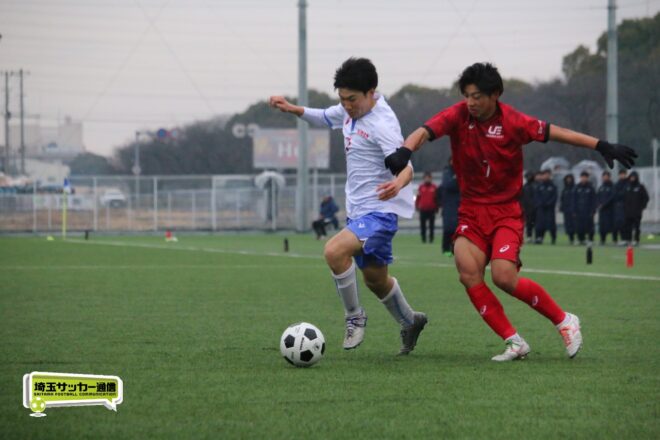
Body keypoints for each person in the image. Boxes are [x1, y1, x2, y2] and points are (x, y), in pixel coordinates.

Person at [385, 62, 636, 361]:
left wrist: (600, 145)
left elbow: (557, 133)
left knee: (504, 277)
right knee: (468, 272)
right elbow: (424, 131)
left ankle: (565, 320)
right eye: (467, 95)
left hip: (506, 212)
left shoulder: (514, 121)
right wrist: (405, 150)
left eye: (477, 96)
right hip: (471, 212)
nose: (470, 102)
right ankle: (514, 341)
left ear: (495, 95)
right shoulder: (458, 115)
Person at [269, 57, 427, 355]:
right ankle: (411, 321)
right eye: (342, 99)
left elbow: (406, 166)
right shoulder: (348, 110)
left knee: (334, 251)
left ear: (371, 92)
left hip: (381, 212)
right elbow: (323, 116)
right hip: (358, 213)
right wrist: (292, 108)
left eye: (352, 99)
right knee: (376, 280)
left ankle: (354, 317)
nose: (346, 105)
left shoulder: (382, 124)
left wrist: (398, 183)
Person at [438, 158, 460, 256]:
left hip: (458, 204)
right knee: (448, 228)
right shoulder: (447, 172)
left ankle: (454, 249)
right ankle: (445, 249)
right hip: (448, 205)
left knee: (457, 228)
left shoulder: (461, 170)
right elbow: (448, 185)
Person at [622, 171, 649, 246]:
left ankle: (636, 240)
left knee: (637, 227)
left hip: (637, 212)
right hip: (627, 212)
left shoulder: (640, 187)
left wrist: (642, 207)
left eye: (633, 177)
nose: (632, 178)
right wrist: (624, 207)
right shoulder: (627, 186)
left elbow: (646, 198)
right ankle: (628, 240)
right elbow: (623, 198)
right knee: (627, 227)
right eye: (631, 177)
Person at [534, 169, 558, 244]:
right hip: (541, 208)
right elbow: (536, 196)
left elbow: (554, 197)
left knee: (551, 224)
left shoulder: (553, 186)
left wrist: (549, 203)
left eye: (547, 174)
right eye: (544, 174)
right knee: (540, 224)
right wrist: (540, 203)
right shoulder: (539, 186)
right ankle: (539, 238)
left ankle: (553, 238)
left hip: (550, 209)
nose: (546, 176)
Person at [416, 172, 438, 243]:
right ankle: (423, 239)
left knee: (431, 226)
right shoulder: (421, 187)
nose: (427, 179)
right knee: (423, 226)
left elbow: (437, 199)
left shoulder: (434, 187)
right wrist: (417, 206)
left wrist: (437, 208)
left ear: (431, 178)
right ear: (424, 179)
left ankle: (431, 239)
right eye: (426, 178)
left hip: (432, 210)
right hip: (423, 209)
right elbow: (418, 198)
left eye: (429, 178)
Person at [574, 171, 596, 245]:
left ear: (587, 178)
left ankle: (590, 239)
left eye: (585, 177)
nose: (583, 179)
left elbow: (594, 200)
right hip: (579, 210)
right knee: (579, 226)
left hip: (588, 210)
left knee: (589, 226)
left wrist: (593, 210)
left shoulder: (590, 188)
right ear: (580, 178)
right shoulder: (577, 187)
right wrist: (574, 210)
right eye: (582, 177)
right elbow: (574, 200)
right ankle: (581, 239)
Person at [597, 171, 615, 245]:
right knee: (602, 226)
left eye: (606, 176)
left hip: (610, 210)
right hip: (602, 210)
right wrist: (598, 204)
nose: (605, 178)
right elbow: (597, 197)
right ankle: (602, 240)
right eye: (604, 176)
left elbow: (612, 197)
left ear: (609, 177)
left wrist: (604, 204)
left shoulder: (612, 187)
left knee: (612, 225)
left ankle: (614, 240)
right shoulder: (601, 187)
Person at [560, 174, 577, 244]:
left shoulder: (575, 188)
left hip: (573, 210)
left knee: (574, 224)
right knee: (568, 224)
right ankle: (571, 239)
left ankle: (578, 238)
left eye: (570, 178)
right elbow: (562, 199)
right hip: (566, 210)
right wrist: (561, 207)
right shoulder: (564, 189)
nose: (568, 180)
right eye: (567, 179)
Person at [520, 171, 536, 243]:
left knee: (535, 223)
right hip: (526, 208)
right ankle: (528, 236)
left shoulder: (535, 186)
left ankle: (537, 237)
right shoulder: (524, 187)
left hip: (535, 208)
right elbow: (521, 198)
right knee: (528, 223)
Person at [613, 169, 628, 244]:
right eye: (621, 174)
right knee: (617, 224)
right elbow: (615, 195)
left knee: (626, 224)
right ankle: (616, 239)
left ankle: (625, 239)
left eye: (623, 174)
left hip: (627, 207)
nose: (622, 176)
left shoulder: (628, 184)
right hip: (618, 207)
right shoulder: (617, 184)